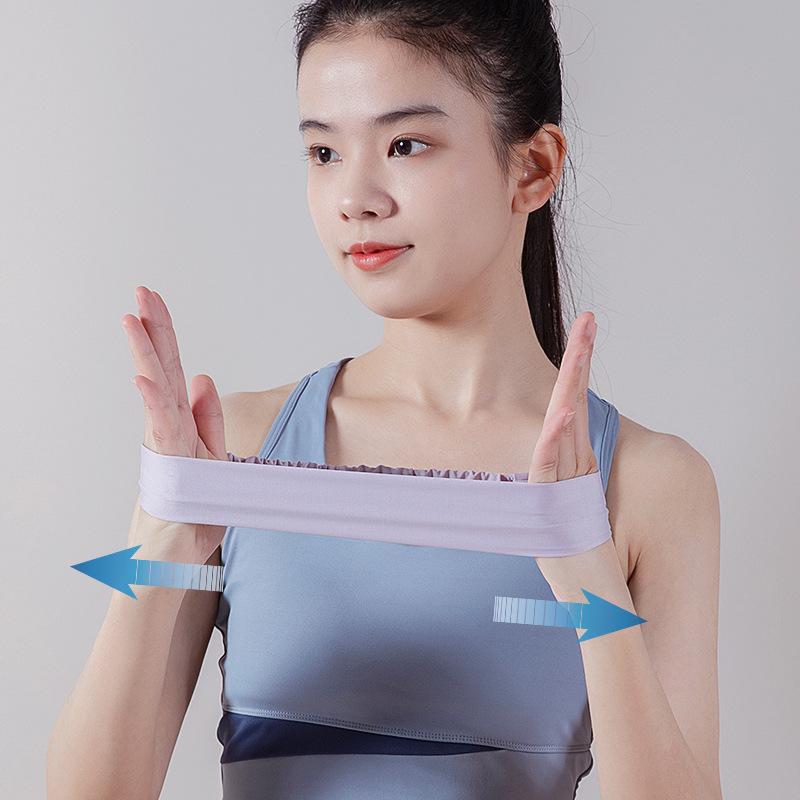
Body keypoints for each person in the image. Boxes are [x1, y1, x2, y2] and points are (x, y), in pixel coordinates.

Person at [46, 2, 722, 798]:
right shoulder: (240, 448)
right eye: (324, 152)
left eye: (406, 144)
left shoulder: (647, 484)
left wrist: (589, 584)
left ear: (533, 168)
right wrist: (163, 535)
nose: (354, 197)